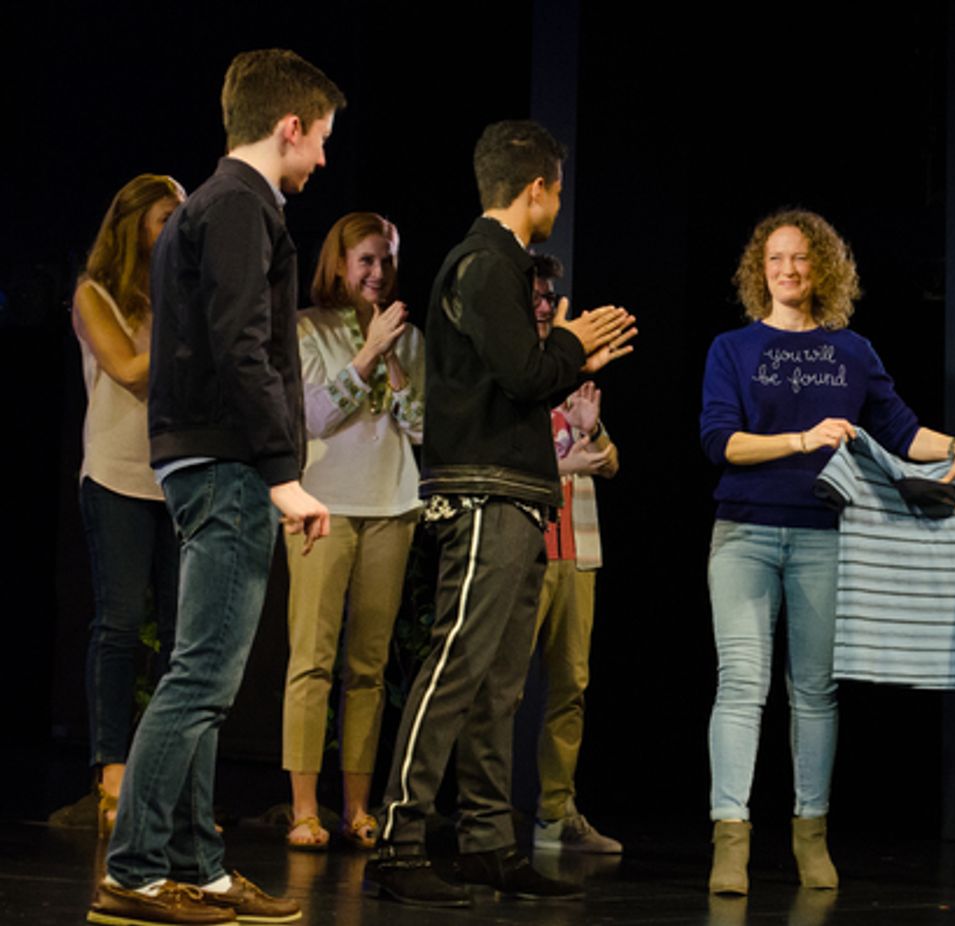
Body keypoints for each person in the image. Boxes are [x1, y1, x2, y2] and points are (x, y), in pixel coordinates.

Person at [90, 48, 342, 926]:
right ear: (290, 127)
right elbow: (243, 346)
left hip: (205, 459)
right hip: (228, 464)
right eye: (321, 141)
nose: (322, 160)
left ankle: (196, 861)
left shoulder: (215, 205)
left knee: (203, 676)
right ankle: (136, 869)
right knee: (200, 676)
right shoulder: (240, 206)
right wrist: (283, 476)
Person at [365, 120, 636, 907]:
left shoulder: (499, 265)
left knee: (498, 682)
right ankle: (399, 838)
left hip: (518, 491)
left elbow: (521, 375)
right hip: (484, 491)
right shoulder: (487, 263)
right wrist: (574, 345)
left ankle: (487, 839)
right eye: (557, 189)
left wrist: (568, 353)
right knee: (456, 660)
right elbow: (523, 374)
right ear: (537, 189)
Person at [699, 208, 955, 895]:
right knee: (742, 683)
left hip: (825, 536)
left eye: (800, 258)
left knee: (816, 692)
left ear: (823, 267)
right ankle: (730, 840)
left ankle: (811, 835)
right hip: (743, 532)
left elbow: (903, 432)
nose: (788, 270)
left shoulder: (851, 351)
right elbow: (720, 443)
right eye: (775, 259)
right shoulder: (732, 349)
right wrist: (802, 441)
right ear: (757, 270)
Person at [281, 212, 424, 851]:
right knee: (312, 659)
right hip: (321, 505)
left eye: (386, 260)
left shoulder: (410, 337)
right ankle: (304, 809)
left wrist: (393, 363)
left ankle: (357, 808)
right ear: (340, 263)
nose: (377, 272)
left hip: (392, 503)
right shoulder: (307, 330)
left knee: (367, 665)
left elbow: (422, 429)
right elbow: (310, 417)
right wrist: (366, 355)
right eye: (366, 260)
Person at [74, 173, 185, 838]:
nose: (176, 229)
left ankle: (165, 783)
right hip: (116, 476)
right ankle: (111, 772)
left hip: (177, 478)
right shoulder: (95, 295)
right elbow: (127, 368)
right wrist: (192, 333)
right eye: (166, 218)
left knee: (182, 641)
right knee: (118, 626)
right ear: (135, 222)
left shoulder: (181, 293)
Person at [527, 253, 623, 855]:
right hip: (525, 548)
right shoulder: (514, 371)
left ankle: (556, 814)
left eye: (548, 296)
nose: (543, 306)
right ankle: (470, 815)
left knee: (571, 687)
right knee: (499, 688)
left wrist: (591, 432)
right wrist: (564, 461)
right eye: (534, 296)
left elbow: (610, 462)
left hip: (577, 549)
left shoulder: (571, 374)